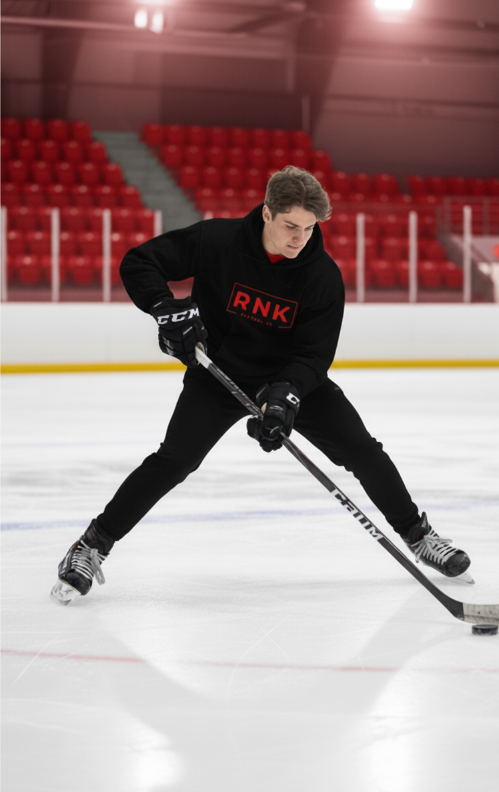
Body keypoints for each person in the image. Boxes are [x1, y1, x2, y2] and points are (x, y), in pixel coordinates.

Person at [51, 166, 472, 605]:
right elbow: (140, 261)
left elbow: (313, 355)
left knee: (363, 450)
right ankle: (91, 545)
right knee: (174, 461)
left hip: (288, 378)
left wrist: (286, 396)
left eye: (309, 228)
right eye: (291, 226)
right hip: (218, 373)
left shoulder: (322, 276)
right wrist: (164, 307)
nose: (300, 238)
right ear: (267, 213)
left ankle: (419, 536)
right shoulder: (217, 241)